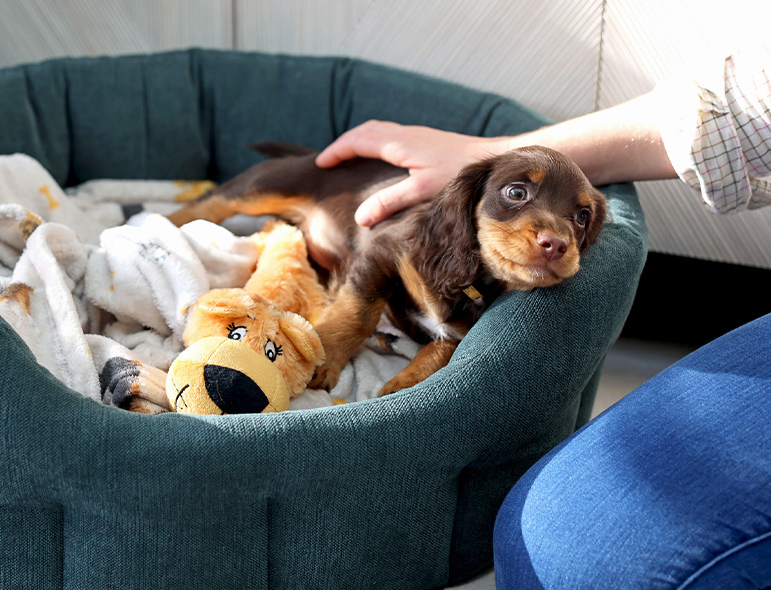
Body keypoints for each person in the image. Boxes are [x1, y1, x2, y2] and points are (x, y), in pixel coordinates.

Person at [317, 44, 771, 588]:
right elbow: (748, 111)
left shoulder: (509, 290)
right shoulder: (438, 230)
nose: (554, 235)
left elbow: (459, 335)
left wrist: (425, 368)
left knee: (567, 550)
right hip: (335, 205)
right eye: (517, 192)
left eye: (578, 219)